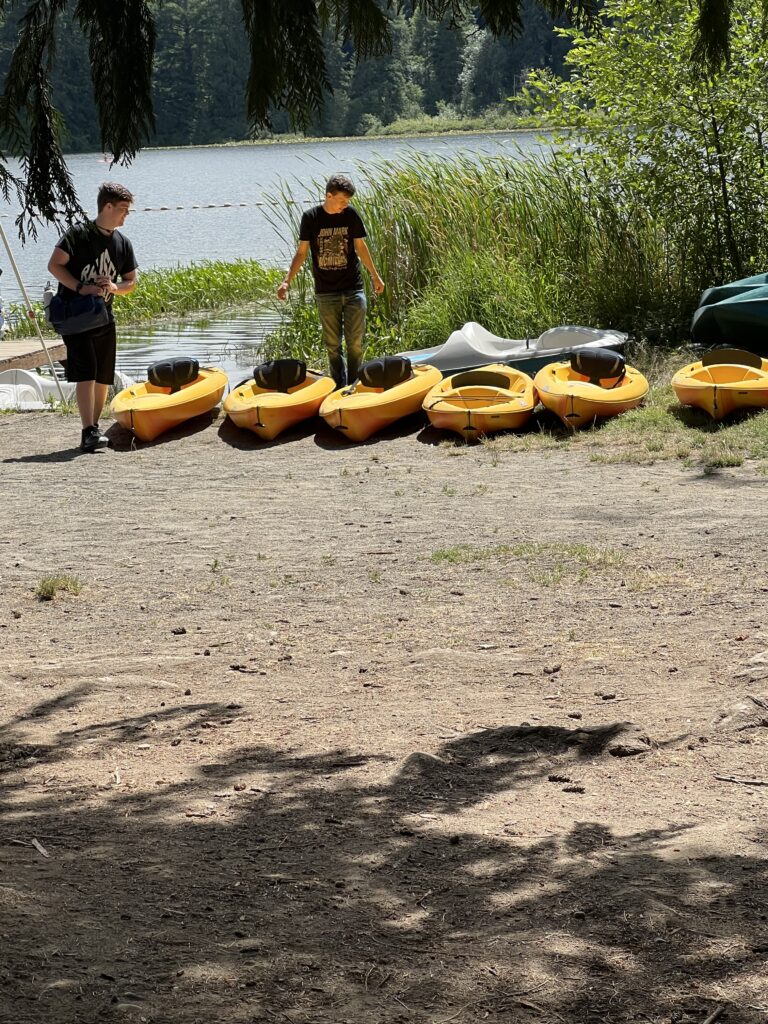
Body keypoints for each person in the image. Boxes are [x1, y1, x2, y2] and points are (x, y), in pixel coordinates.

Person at [47, 182, 138, 452]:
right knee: (85, 372)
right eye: (122, 209)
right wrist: (80, 287)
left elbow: (131, 282)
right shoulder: (77, 235)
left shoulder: (122, 243)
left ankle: (94, 427)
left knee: (102, 376)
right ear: (107, 207)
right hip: (75, 315)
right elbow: (54, 265)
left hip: (103, 317)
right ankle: (87, 430)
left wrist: (113, 288)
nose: (125, 215)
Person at [277, 173, 384, 388]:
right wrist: (287, 280)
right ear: (329, 195)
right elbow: (301, 252)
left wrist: (375, 276)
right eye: (342, 200)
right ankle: (338, 386)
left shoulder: (351, 215)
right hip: (326, 292)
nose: (345, 205)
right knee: (333, 346)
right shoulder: (311, 217)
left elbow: (361, 248)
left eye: (348, 202)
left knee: (355, 344)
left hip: (353, 289)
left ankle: (354, 385)